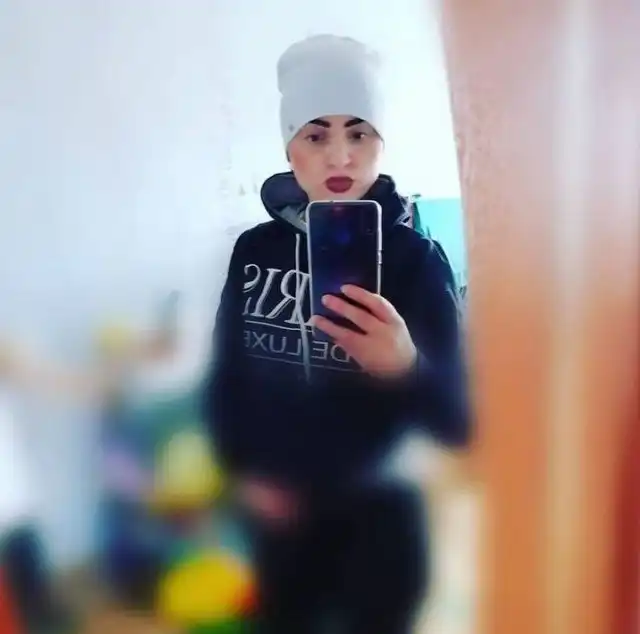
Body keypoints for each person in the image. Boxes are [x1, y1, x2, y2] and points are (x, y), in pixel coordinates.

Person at [202, 34, 470, 634]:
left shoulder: (417, 261)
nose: (340, 156)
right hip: (280, 521)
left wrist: (405, 367)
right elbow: (227, 373)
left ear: (381, 144)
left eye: (359, 132)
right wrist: (244, 471)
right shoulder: (253, 250)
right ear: (290, 148)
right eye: (316, 135)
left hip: (379, 523)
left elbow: (456, 420)